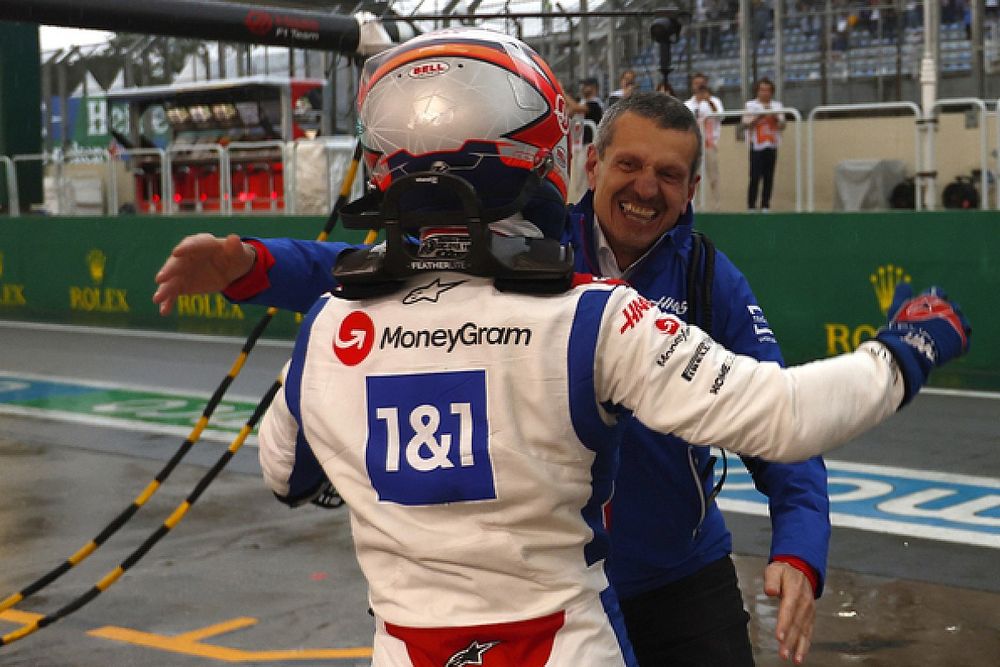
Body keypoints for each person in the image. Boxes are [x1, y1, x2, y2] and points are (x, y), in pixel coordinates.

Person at [152, 89, 960, 667]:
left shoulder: (713, 277)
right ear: (592, 164)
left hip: (678, 572)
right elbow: (384, 273)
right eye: (631, 164)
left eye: (670, 175)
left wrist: (799, 544)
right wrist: (253, 266)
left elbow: (772, 419)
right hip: (565, 584)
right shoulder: (516, 248)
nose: (647, 188)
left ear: (692, 189)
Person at [744, 77, 785, 211]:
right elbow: (746, 123)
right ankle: (751, 206)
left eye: (767, 90)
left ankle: (765, 205)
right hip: (756, 145)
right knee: (754, 176)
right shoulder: (750, 105)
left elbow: (783, 125)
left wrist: (774, 116)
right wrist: (760, 116)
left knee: (769, 176)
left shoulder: (777, 106)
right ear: (757, 91)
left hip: (771, 144)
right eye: (762, 90)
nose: (765, 93)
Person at [685, 73, 724, 211]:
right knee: (694, 178)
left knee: (713, 176)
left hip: (709, 144)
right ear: (692, 85)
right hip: (693, 147)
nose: (699, 86)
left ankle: (717, 206)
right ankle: (695, 208)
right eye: (696, 83)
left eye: (702, 83)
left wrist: (709, 102)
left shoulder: (714, 101)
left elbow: (721, 117)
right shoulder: (687, 105)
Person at [567, 76, 604, 144]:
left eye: (586, 85)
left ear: (594, 88)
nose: (583, 87)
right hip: (578, 140)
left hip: (590, 141)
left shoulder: (596, 103)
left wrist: (562, 92)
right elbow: (569, 113)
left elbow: (576, 108)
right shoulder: (582, 102)